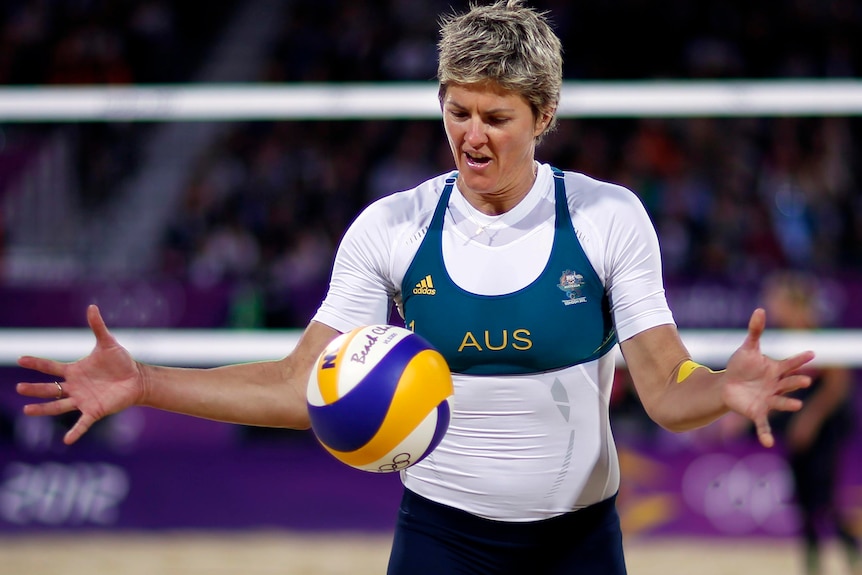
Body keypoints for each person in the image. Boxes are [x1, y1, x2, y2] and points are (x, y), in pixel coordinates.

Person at [16, 2, 815, 573]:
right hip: (442, 540)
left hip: (578, 542)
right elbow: (301, 387)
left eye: (495, 117)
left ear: (543, 117)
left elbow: (667, 388)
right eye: (456, 111)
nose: (471, 134)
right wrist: (145, 382)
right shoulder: (392, 228)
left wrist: (720, 388)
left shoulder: (607, 217)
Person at [761, 272, 860, 575]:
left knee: (822, 500)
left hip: (824, 430)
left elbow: (838, 385)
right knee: (804, 502)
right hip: (795, 427)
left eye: (776, 299)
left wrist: (811, 418)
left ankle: (848, 550)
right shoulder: (780, 340)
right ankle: (816, 564)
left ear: (793, 303)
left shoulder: (819, 337)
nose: (770, 306)